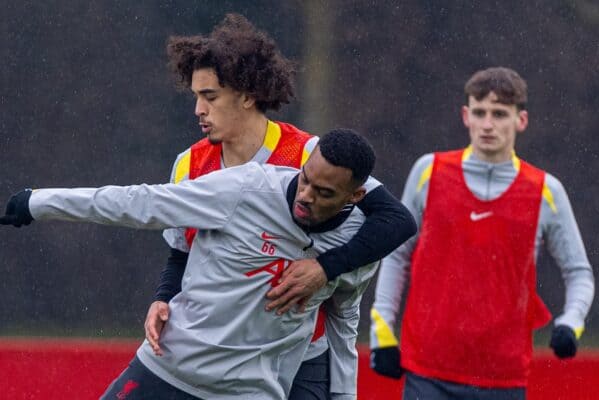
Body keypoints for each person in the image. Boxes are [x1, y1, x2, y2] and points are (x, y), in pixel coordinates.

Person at [1, 129, 409, 400]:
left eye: (322, 192)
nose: (304, 196)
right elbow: (141, 203)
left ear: (356, 196)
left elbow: (343, 326)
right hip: (170, 368)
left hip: (250, 393)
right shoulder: (246, 187)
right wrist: (39, 202)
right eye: (304, 180)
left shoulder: (358, 247)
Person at [146, 14, 415, 400]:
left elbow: (396, 221)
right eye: (195, 97)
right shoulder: (188, 165)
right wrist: (163, 298)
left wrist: (324, 269)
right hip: (217, 353)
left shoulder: (309, 155)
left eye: (209, 97)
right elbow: (181, 252)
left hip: (302, 355)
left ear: (246, 95)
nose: (198, 111)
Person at [369, 67, 595, 399]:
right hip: (427, 370)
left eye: (500, 114)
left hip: (503, 377)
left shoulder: (546, 190)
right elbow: (397, 254)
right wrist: (382, 331)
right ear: (466, 116)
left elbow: (579, 274)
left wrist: (570, 322)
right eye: (480, 112)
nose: (488, 124)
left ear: (521, 120)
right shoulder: (428, 172)